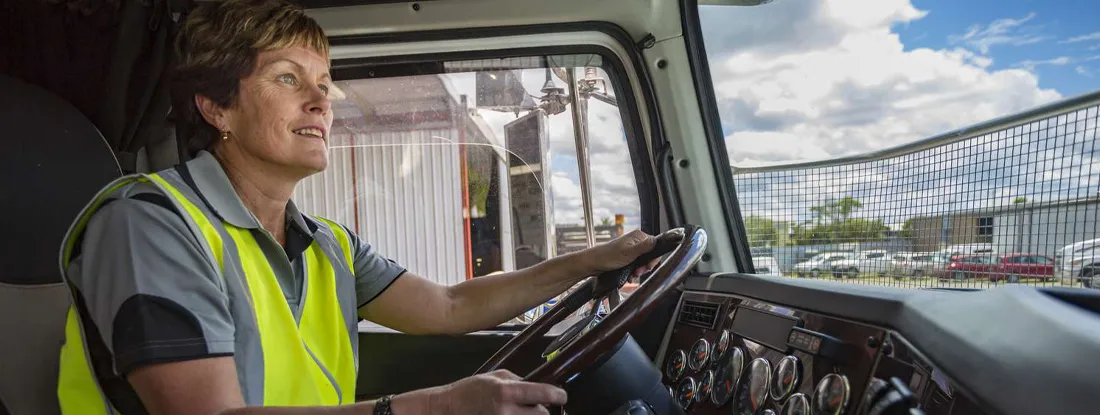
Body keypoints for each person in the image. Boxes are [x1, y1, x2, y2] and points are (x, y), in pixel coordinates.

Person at [55, 0, 660, 414]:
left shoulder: (327, 244)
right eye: (288, 79)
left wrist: (588, 263)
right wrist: (434, 407)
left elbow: (451, 306)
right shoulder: (150, 224)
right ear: (216, 108)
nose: (322, 101)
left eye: (324, 83)